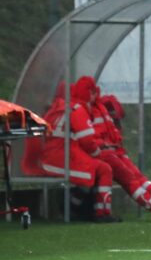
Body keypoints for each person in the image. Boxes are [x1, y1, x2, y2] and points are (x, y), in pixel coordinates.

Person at [93, 92, 151, 220]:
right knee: (130, 180)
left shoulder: (98, 109)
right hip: (104, 153)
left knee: (137, 176)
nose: (116, 121)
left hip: (114, 151)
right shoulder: (88, 110)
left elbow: (111, 137)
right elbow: (90, 139)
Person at [40, 77, 120, 222]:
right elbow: (87, 141)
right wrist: (97, 154)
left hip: (48, 157)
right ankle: (102, 213)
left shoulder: (54, 108)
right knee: (103, 169)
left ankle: (73, 207)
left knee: (91, 170)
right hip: (61, 158)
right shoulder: (76, 109)